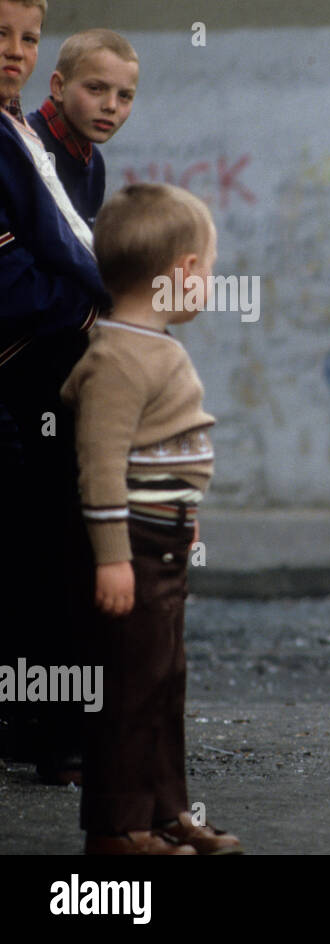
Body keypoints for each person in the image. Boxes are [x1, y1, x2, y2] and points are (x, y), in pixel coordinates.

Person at [60, 182, 241, 855]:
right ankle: (116, 828)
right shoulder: (118, 357)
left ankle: (166, 812)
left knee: (164, 683)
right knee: (130, 690)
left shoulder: (152, 345)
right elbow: (101, 465)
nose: (209, 285)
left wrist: (183, 518)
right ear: (184, 274)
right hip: (130, 547)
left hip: (161, 540)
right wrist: (112, 556)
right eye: (210, 270)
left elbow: (161, 455)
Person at [0, 0, 111, 784]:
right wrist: (89, 310)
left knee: (44, 549)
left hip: (42, 372)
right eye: (0, 33)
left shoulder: (21, 136)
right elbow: (7, 276)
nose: (15, 52)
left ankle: (46, 726)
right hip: (21, 371)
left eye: (27, 37)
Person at [27, 28, 137, 227]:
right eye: (95, 88)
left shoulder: (94, 162)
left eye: (124, 96)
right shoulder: (21, 145)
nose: (111, 106)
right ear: (59, 87)